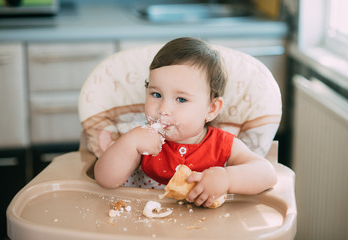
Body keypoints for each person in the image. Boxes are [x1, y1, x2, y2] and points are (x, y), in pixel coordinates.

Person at [94, 37, 277, 208]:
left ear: (211, 109)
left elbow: (267, 174)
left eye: (181, 99)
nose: (163, 109)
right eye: (156, 95)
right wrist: (129, 143)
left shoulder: (223, 145)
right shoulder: (142, 141)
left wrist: (227, 178)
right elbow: (105, 179)